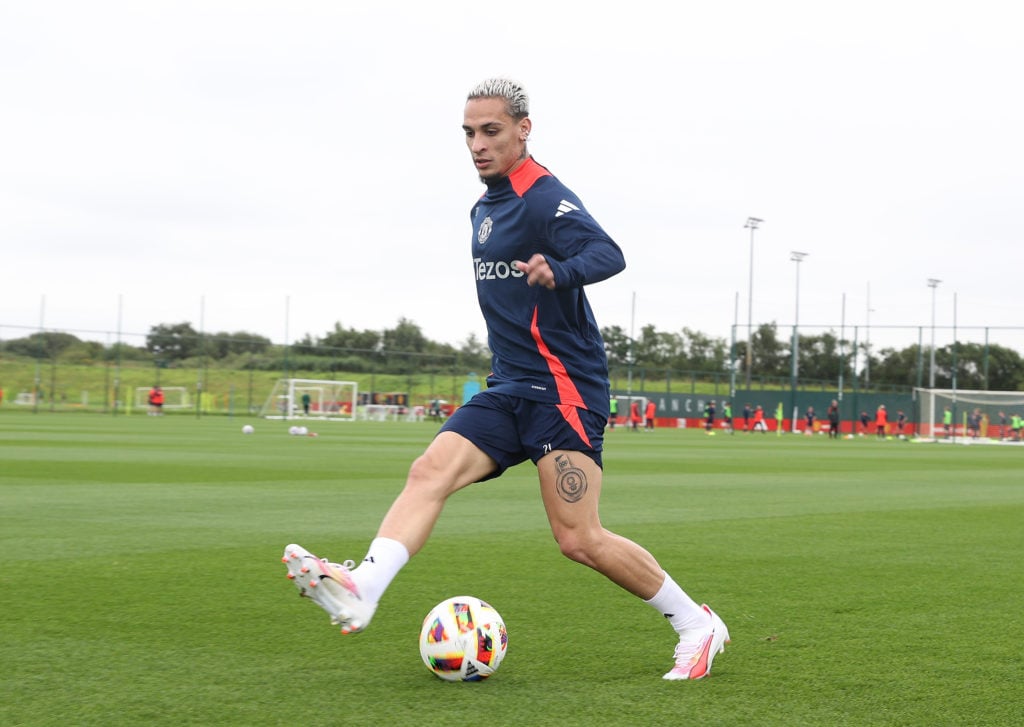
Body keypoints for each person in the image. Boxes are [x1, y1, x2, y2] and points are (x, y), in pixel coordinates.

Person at [282, 78, 728, 681]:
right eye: (468, 133)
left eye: (490, 130)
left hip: (563, 388)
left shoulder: (543, 196)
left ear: (523, 129)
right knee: (428, 472)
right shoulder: (485, 206)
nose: (477, 144)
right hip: (509, 386)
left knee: (578, 538)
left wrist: (559, 269)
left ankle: (696, 624)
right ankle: (363, 585)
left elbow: (608, 252)